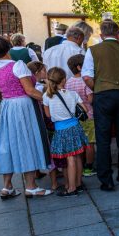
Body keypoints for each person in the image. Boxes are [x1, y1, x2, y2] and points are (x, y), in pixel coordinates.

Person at [0, 35, 51, 197]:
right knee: (28, 141)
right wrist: (52, 101)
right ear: (8, 47)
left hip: (7, 106)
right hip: (23, 106)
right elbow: (30, 91)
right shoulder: (18, 65)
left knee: (9, 144)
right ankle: (31, 186)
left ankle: (7, 186)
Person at [81, 20, 119, 191]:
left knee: (103, 137)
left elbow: (86, 76)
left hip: (103, 95)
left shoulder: (93, 51)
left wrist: (99, 87)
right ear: (117, 34)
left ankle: (106, 179)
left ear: (101, 35)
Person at [42, 67, 88, 196]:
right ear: (64, 80)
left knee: (70, 158)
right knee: (77, 156)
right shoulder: (72, 94)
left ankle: (71, 188)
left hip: (62, 129)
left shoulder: (46, 96)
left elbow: (48, 115)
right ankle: (78, 183)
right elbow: (84, 109)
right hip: (75, 127)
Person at [27, 61, 60, 193]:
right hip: (45, 122)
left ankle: (37, 173)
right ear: (37, 72)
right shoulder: (40, 88)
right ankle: (54, 183)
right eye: (44, 70)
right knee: (49, 150)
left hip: (35, 121)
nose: (46, 73)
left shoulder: (31, 86)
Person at [66, 54, 96, 177]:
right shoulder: (86, 81)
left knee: (80, 142)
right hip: (88, 116)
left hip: (75, 118)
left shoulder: (68, 82)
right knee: (90, 143)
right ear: (79, 67)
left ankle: (81, 163)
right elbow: (90, 99)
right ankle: (89, 167)